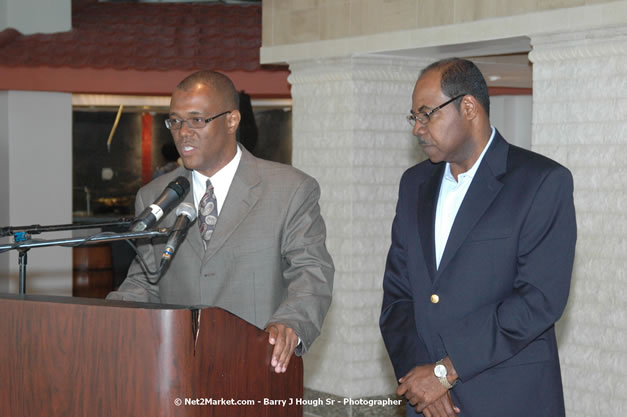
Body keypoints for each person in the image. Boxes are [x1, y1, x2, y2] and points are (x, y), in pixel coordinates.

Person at [379, 58, 577, 417]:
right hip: (427, 405)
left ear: (468, 107)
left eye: (427, 114)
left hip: (508, 400)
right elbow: (397, 296)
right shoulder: (414, 185)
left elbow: (539, 299)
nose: (417, 129)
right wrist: (422, 380)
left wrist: (446, 371)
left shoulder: (541, 182)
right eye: (414, 118)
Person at [107, 70, 334, 374]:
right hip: (176, 368)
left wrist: (292, 322)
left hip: (257, 367)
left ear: (231, 121)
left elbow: (311, 272)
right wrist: (104, 318)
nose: (182, 132)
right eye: (175, 121)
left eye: (196, 120)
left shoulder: (289, 189)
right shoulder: (156, 197)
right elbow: (145, 281)